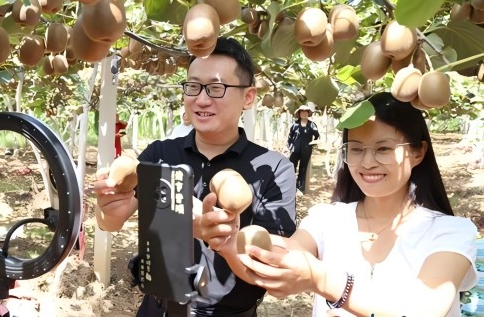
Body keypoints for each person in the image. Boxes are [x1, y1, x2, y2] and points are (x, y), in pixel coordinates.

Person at [200, 92, 477, 317]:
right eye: (355, 149)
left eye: (383, 148)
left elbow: (423, 311)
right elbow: (278, 260)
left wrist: (323, 280)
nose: (367, 162)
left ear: (418, 152)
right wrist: (230, 242)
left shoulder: (450, 232)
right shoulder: (327, 219)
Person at [94, 37, 297, 316]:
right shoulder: (160, 154)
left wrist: (226, 244)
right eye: (193, 86)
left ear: (248, 97)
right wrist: (108, 209)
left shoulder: (274, 169)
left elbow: (271, 271)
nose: (201, 99)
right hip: (158, 309)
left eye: (216, 88)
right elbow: (111, 222)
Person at [286, 105, 320, 193]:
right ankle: (291, 186)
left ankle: (300, 188)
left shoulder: (312, 125)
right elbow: (290, 137)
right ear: (299, 113)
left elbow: (317, 136)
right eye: (302, 111)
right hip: (294, 150)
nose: (304, 113)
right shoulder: (295, 125)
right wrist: (290, 147)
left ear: (308, 113)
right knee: (291, 167)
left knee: (303, 169)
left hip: (306, 150)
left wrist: (312, 144)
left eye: (306, 112)